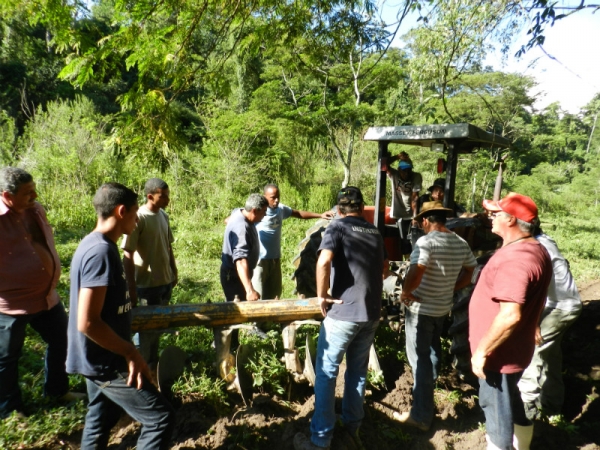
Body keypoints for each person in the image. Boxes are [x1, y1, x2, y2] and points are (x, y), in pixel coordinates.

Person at [67, 183, 175, 450]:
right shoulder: (100, 252)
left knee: (102, 418)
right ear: (121, 210)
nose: (137, 219)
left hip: (99, 357)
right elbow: (87, 321)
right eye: (135, 212)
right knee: (160, 417)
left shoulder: (98, 245)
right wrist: (131, 353)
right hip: (106, 362)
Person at [293, 187, 387, 450]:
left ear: (339, 208)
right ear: (361, 206)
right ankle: (352, 429)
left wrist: (322, 295)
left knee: (326, 373)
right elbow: (385, 268)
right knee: (357, 373)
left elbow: (323, 262)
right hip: (370, 315)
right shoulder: (375, 232)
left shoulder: (337, 227)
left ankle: (320, 440)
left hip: (343, 314)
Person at [0, 167, 85, 419]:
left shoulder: (35, 209)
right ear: (7, 195)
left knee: (62, 340)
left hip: (47, 297)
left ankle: (57, 392)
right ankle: (9, 412)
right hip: (11, 304)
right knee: (6, 359)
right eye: (28, 193)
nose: (35, 195)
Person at [470, 193, 552, 450]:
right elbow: (530, 299)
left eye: (496, 213)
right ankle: (523, 446)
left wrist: (481, 351)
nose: (490, 217)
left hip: (499, 355)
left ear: (512, 220)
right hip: (515, 348)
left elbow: (510, 314)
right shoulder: (535, 249)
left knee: (496, 412)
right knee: (511, 402)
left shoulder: (515, 260)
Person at [393, 201, 477, 431]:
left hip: (421, 311)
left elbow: (417, 270)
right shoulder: (460, 243)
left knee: (418, 359)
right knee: (432, 350)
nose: (421, 226)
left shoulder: (425, 242)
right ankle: (429, 388)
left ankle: (420, 416)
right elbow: (470, 273)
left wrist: (406, 292)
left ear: (426, 220)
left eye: (421, 222)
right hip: (441, 308)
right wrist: (451, 288)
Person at [518, 225, 582, 420]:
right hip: (567, 303)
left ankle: (527, 411)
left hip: (559, 307)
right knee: (551, 354)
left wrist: (534, 322)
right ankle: (552, 405)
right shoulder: (546, 240)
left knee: (532, 350)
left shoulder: (538, 247)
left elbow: (539, 285)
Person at [121, 178, 178, 368]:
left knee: (158, 326)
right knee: (145, 330)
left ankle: (151, 363)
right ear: (150, 196)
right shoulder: (139, 218)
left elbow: (167, 246)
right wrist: (131, 287)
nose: (167, 200)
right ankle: (143, 365)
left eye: (168, 196)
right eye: (163, 196)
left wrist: (173, 269)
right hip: (146, 285)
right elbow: (127, 252)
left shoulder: (163, 216)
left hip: (164, 281)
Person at [253, 184, 334, 300]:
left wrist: (320, 215)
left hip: (274, 259)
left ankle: (271, 318)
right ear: (264, 197)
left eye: (278, 197)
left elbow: (297, 213)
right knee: (258, 296)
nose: (276, 200)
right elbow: (240, 219)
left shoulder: (280, 209)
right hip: (259, 261)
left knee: (274, 295)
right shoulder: (257, 211)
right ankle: (257, 318)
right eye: (273, 197)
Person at [221, 193, 268, 302]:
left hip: (237, 275)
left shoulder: (240, 212)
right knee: (237, 313)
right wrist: (250, 290)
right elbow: (241, 261)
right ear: (254, 211)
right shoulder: (241, 228)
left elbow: (228, 219)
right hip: (235, 277)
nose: (265, 215)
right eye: (264, 212)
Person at [385, 151, 422, 256]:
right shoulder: (394, 175)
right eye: (404, 171)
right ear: (399, 170)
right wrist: (397, 157)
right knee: (403, 241)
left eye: (409, 170)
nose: (406, 173)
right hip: (398, 212)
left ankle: (413, 260)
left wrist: (415, 217)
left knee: (414, 240)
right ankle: (405, 259)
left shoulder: (416, 177)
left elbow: (415, 197)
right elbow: (384, 165)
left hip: (411, 213)